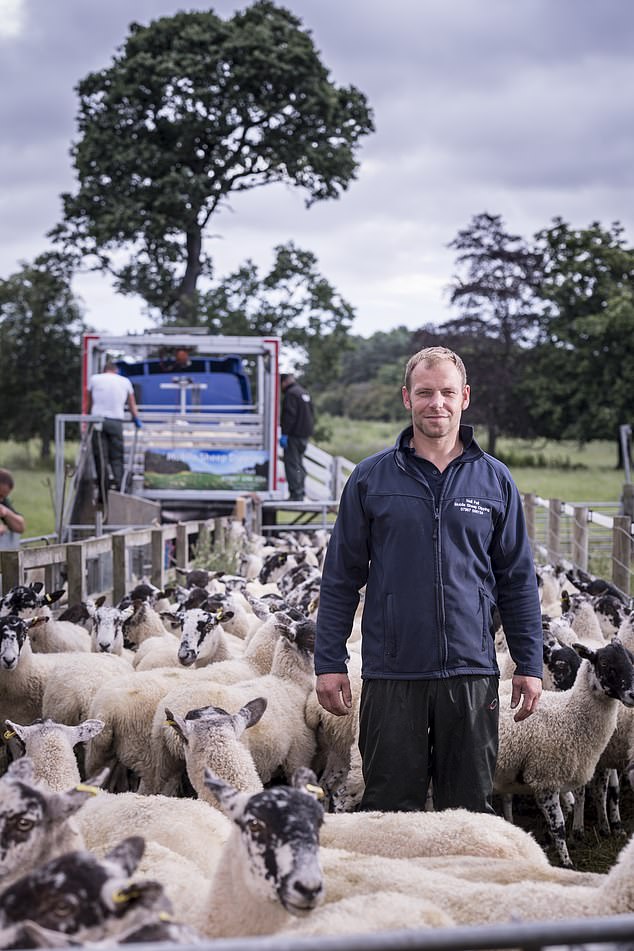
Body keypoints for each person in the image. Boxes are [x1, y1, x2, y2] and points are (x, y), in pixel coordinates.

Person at [315, 346, 543, 815]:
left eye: (446, 392)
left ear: (465, 397)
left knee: (468, 815)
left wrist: (529, 663)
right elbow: (340, 577)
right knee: (388, 813)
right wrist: (328, 661)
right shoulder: (370, 479)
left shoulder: (494, 481)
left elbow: (517, 580)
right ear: (406, 398)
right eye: (424, 392)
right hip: (392, 673)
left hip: (471, 673)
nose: (435, 403)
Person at [87, 360, 142, 503]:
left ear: (104, 370)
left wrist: (86, 420)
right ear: (116, 370)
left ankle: (103, 494)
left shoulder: (95, 379)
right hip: (116, 423)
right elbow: (132, 404)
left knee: (101, 459)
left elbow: (89, 402)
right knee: (117, 458)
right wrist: (136, 419)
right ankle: (120, 490)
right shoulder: (125, 382)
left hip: (98, 421)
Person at [280, 373, 314, 501]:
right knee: (299, 464)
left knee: (292, 465)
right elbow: (311, 413)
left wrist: (285, 433)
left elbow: (290, 415)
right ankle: (301, 491)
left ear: (284, 382)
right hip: (304, 436)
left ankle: (296, 495)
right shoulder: (304, 393)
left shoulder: (291, 394)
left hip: (293, 436)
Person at [0, 468, 25, 549]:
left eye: (3, 497)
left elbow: (20, 527)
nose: (1, 500)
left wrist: (6, 512)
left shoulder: (2, 501)